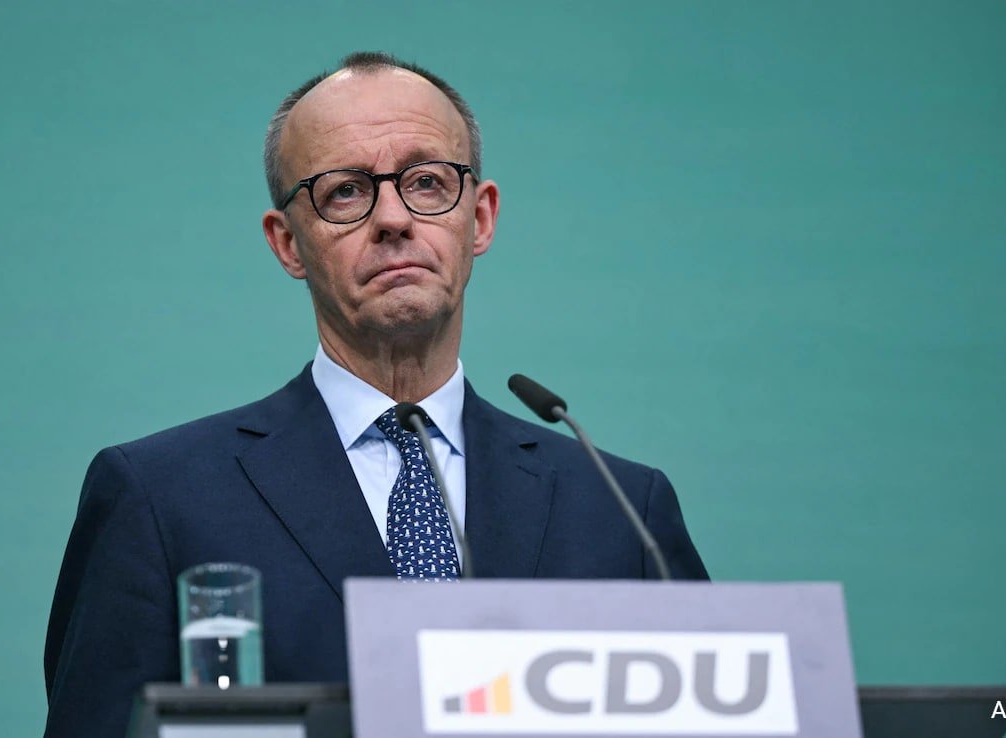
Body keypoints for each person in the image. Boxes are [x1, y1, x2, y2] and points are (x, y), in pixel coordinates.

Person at [42, 51, 708, 738]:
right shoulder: (161, 498)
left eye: (427, 182)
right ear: (287, 244)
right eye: (346, 191)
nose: (392, 218)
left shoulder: (621, 511)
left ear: (480, 218)